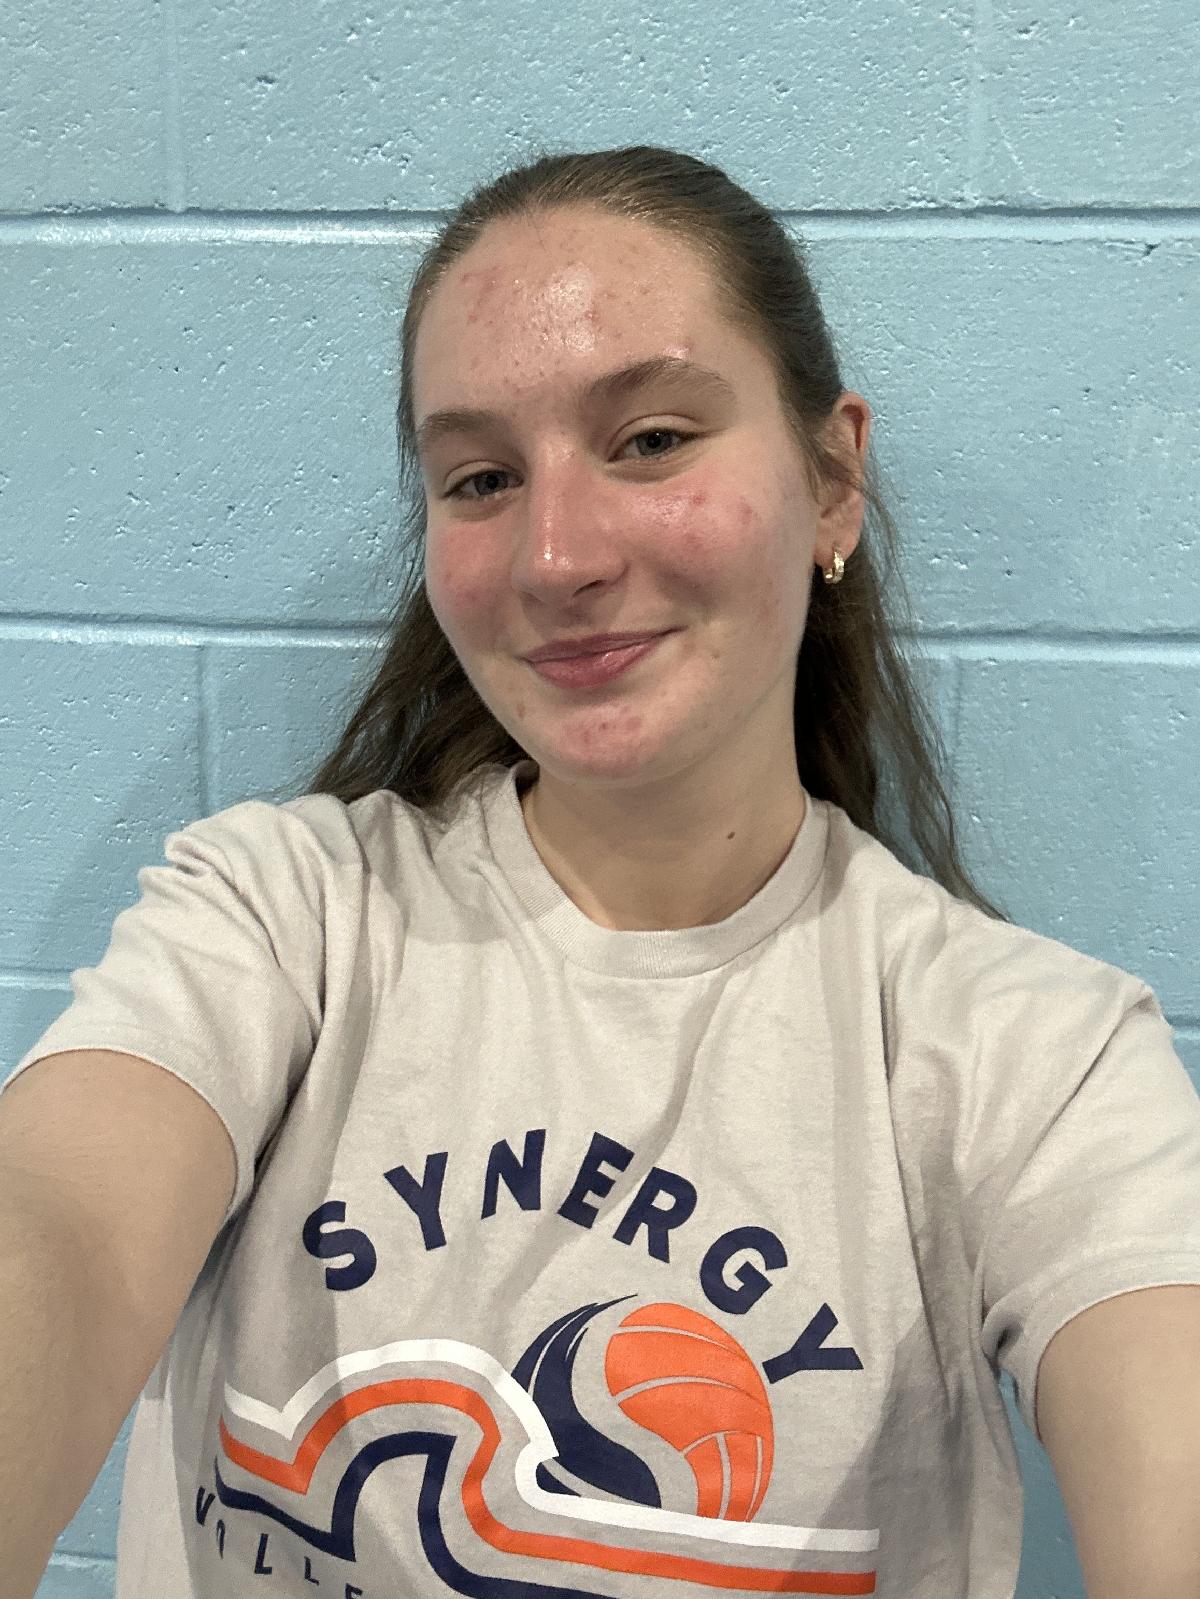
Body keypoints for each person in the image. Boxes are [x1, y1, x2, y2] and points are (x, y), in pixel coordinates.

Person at [3, 144, 1199, 1599]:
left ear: (831, 481)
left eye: (650, 440)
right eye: (482, 477)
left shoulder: (1037, 1059)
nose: (555, 555)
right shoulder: (277, 917)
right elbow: (58, 1226)